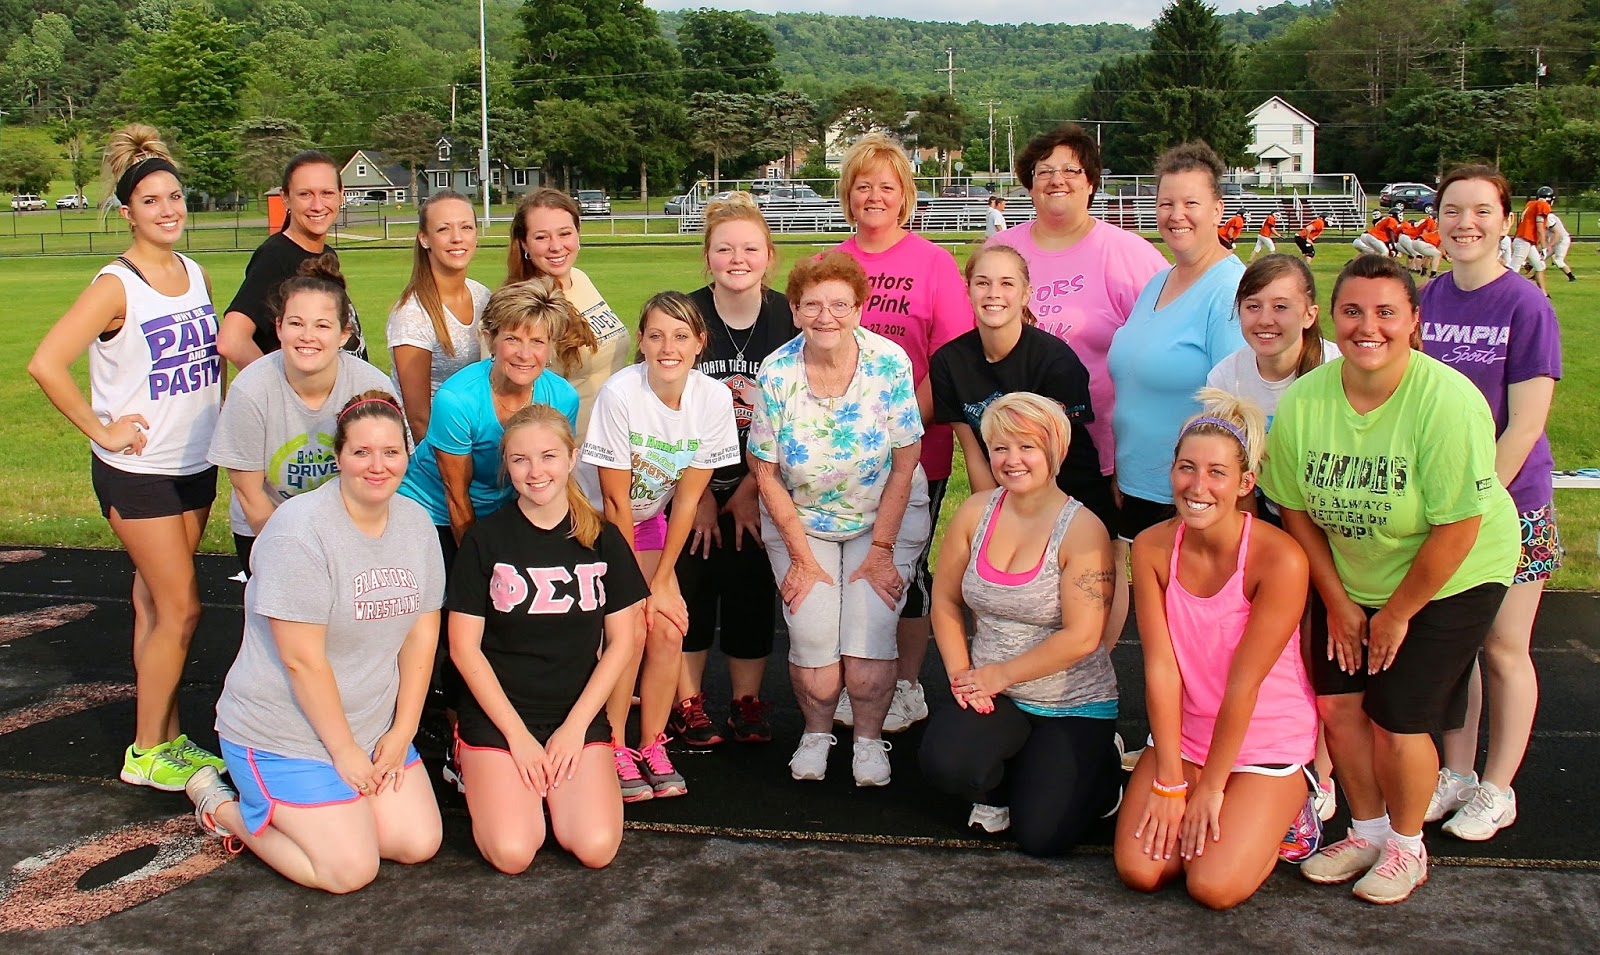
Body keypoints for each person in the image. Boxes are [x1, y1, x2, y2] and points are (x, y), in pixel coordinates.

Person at [1259, 254, 1519, 904]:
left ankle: (1407, 845)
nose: (1366, 325)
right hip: (1355, 568)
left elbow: (1457, 526)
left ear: (1413, 323)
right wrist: (1341, 603)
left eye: (1385, 312)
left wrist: (1396, 613)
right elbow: (1294, 506)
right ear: (1332, 319)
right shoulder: (1305, 399)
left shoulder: (1446, 400)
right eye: (1352, 310)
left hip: (1453, 570)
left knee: (1398, 717)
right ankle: (1366, 829)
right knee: (1338, 706)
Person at [28, 124, 225, 790]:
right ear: (127, 210)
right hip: (138, 472)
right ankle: (145, 752)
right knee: (184, 607)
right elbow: (46, 362)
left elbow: (204, 365)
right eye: (152, 201)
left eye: (175, 196)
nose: (169, 209)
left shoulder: (194, 271)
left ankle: (165, 733)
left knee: (153, 604)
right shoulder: (117, 284)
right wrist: (103, 429)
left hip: (195, 465)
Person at [187, 392, 443, 893]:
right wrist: (344, 752)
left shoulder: (415, 524)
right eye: (361, 452)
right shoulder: (299, 532)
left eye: (390, 452)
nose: (377, 465)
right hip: (286, 734)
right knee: (349, 871)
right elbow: (302, 660)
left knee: (416, 843)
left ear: (407, 456)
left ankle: (336, 807)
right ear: (339, 456)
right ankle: (222, 807)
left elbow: (422, 632)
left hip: (369, 726)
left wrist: (401, 729)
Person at [1115, 390, 1317, 910]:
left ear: (1246, 484)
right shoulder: (1153, 547)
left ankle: (1298, 797)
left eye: (1217, 473)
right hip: (1185, 736)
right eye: (1186, 468)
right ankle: (1203, 794)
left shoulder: (1280, 559)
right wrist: (1169, 781)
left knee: (1212, 886)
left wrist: (1210, 790)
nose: (1197, 486)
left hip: (1262, 741)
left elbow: (1244, 683)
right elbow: (1160, 667)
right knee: (1142, 872)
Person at [748, 251, 931, 787]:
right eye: (812, 306)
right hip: (801, 518)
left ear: (859, 307)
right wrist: (801, 559)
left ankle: (870, 742)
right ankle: (815, 733)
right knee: (811, 631)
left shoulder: (889, 362)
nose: (825, 316)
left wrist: (880, 551)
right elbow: (765, 474)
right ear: (795, 309)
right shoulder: (777, 371)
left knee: (869, 632)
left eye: (838, 305)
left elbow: (907, 460)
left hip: (884, 516)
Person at [1421, 166, 1563, 842]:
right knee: (1456, 646)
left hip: (1511, 504)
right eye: (1452, 210)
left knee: (1504, 646)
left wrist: (1475, 507)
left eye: (1481, 211)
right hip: (1443, 505)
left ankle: (1498, 785)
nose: (1465, 223)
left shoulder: (1526, 305)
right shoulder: (1428, 297)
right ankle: (1457, 772)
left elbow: (1526, 423)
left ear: (1506, 221)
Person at [989, 122, 1167, 655]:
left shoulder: (1126, 252)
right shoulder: (1003, 248)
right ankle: (1028, 674)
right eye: (1045, 172)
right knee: (1027, 559)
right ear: (1028, 184)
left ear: (1091, 182)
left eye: (1072, 170)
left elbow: (1161, 339)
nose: (1058, 180)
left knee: (1100, 562)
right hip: (1020, 446)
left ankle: (1096, 674)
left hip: (1103, 445)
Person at [447, 404, 647, 873]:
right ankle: (470, 760)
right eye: (520, 460)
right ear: (506, 466)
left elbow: (623, 641)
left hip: (572, 712)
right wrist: (516, 737)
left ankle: (551, 785)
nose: (536, 472)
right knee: (515, 851)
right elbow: (463, 647)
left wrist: (575, 728)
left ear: (572, 457)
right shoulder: (486, 539)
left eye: (548, 456)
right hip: (501, 716)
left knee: (595, 847)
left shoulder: (602, 537)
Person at [919, 393, 1119, 855]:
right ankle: (1002, 786)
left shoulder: (1082, 527)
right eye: (1001, 448)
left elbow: (1083, 636)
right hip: (995, 694)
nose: (1012, 460)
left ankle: (1102, 771)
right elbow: (946, 601)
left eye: (1027, 447)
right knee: (945, 762)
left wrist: (997, 675)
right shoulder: (975, 512)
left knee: (1042, 838)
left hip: (1071, 703)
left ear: (1055, 451)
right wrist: (962, 677)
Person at [829, 133, 970, 735]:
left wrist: (898, 432)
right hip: (839, 456)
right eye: (863, 185)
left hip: (916, 449)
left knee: (902, 570)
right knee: (847, 569)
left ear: (907, 196)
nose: (875, 196)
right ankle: (855, 680)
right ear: (848, 195)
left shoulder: (934, 263)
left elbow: (951, 360)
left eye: (888, 186)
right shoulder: (832, 263)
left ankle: (906, 684)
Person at [580, 292, 740, 800]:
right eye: (655, 336)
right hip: (591, 523)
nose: (667, 347)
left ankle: (651, 743)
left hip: (648, 521)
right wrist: (634, 589)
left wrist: (665, 580)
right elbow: (613, 499)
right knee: (625, 627)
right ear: (642, 342)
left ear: (699, 343)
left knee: (668, 626)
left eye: (680, 336)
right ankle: (613, 745)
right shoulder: (621, 393)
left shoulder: (713, 398)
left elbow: (688, 499)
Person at [672, 194, 797, 746]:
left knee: (750, 594)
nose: (737, 258)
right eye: (724, 248)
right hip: (693, 483)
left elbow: (800, 411)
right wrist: (694, 493)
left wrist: (752, 487)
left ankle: (746, 702)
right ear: (707, 257)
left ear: (769, 255)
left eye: (749, 248)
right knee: (691, 590)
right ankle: (688, 703)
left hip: (761, 484)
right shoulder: (684, 317)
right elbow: (662, 409)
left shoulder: (789, 318)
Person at [208, 256, 390, 574]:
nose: (307, 336)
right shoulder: (250, 390)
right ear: (278, 328)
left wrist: (361, 542)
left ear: (345, 333)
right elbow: (249, 493)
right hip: (265, 524)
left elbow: (388, 475)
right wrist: (290, 556)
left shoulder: (371, 386)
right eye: (296, 323)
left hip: (348, 525)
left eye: (322, 325)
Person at [1107, 141, 1246, 544]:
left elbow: (1235, 409)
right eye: (1166, 204)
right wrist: (1122, 468)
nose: (1176, 215)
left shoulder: (1229, 290)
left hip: (1192, 495)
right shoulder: (1158, 281)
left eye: (1191, 203)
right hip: (1138, 484)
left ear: (1218, 210)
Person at [397, 281, 582, 556]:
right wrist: (479, 566)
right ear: (489, 339)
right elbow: (456, 497)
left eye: (537, 342)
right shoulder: (457, 400)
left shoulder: (563, 398)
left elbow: (556, 480)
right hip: (436, 511)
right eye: (512, 339)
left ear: (551, 346)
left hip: (501, 510)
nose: (525, 354)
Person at [929, 245, 1109, 521]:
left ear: (1026, 294)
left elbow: (1061, 457)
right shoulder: (949, 362)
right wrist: (992, 521)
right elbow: (975, 453)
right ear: (968, 291)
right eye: (982, 283)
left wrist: (1030, 527)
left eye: (1007, 283)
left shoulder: (1055, 361)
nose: (993, 293)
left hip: (1069, 497)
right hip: (1004, 494)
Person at [219, 151, 367, 368]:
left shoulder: (325, 253)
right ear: (285, 197)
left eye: (326, 193)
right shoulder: (276, 256)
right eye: (305, 194)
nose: (317, 205)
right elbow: (232, 341)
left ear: (340, 194)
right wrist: (281, 388)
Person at [506, 188, 627, 435]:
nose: (556, 246)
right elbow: (507, 397)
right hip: (569, 448)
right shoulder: (521, 307)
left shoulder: (579, 278)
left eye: (565, 233)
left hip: (612, 440)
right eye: (541, 237)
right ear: (524, 243)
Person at [386, 190, 490, 443]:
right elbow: (418, 417)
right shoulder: (412, 315)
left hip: (476, 437)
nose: (457, 238)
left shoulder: (484, 296)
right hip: (432, 451)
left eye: (466, 227)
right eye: (444, 229)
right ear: (424, 238)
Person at [1205, 254, 1338, 431]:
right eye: (1253, 306)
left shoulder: (1342, 369)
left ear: (1309, 315)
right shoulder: (1224, 380)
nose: (1265, 320)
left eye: (1280, 307)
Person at [1508, 187, 1552, 294]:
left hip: (1526, 240)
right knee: (1514, 268)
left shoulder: (1531, 203)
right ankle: (1501, 290)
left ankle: (1543, 293)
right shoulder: (1542, 205)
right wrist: (1545, 246)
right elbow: (1540, 228)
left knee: (1539, 265)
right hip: (1524, 240)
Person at [1543, 209, 1575, 282]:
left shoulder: (1548, 217)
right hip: (1556, 240)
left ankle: (1571, 277)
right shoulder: (1546, 218)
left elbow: (1558, 235)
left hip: (1562, 240)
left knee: (1558, 261)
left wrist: (1549, 245)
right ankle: (1536, 276)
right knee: (1541, 257)